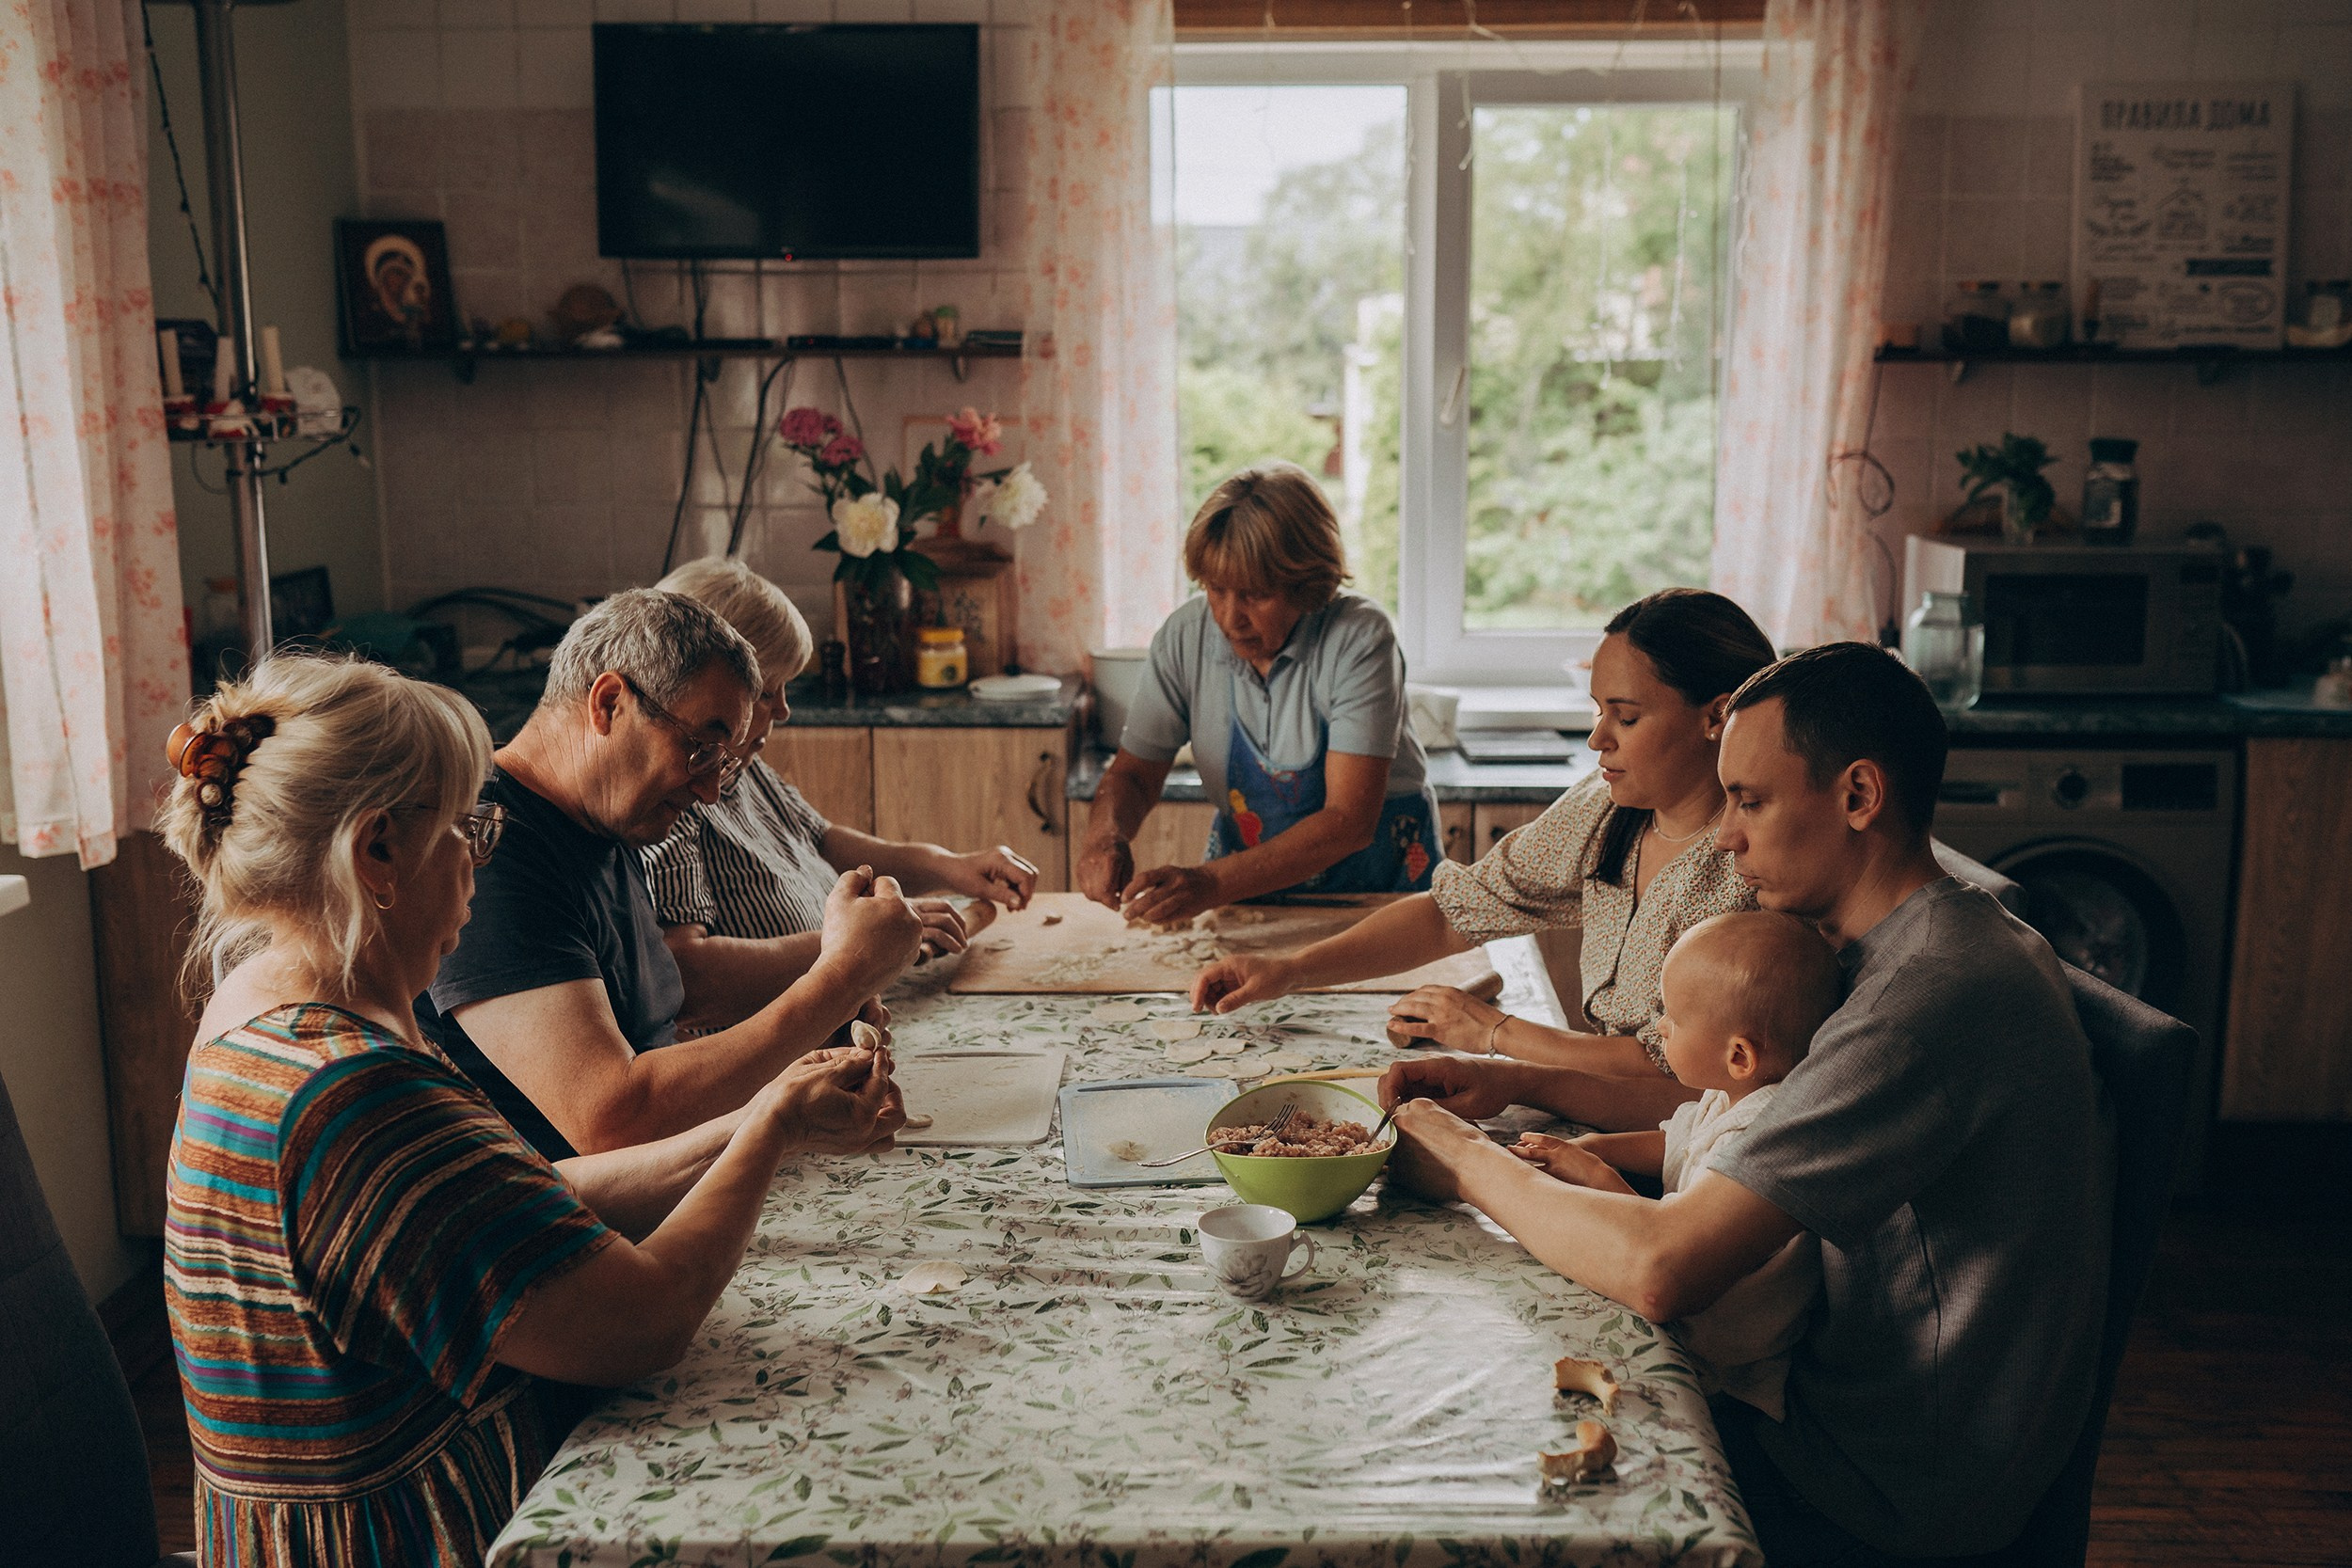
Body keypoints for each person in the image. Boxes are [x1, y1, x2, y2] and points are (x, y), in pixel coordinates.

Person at [159, 655, 905, 1567]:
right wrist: (773, 1123)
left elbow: (518, 1201)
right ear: (377, 851)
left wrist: (762, 1121)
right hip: (421, 1539)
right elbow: (645, 1321)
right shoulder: (354, 1092)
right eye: (465, 826)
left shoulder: (260, 1004)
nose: (480, 856)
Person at [1377, 642, 2113, 1562]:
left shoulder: (1919, 1000)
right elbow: (1730, 1121)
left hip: (1870, 1481)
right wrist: (1515, 1088)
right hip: (1846, 1411)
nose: (1724, 835)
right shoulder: (1903, 940)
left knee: (1473, 1462)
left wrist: (1459, 1154)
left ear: (1856, 796)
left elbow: (1663, 1270)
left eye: (1751, 800)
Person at [1191, 587, 1776, 1130]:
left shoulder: (1753, 869)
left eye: (1625, 717)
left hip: (1689, 1140)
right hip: (1601, 1107)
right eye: (1598, 710)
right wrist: (1290, 970)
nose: (1598, 738)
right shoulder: (1605, 812)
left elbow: (1687, 1079)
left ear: (1716, 717)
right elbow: (1453, 912)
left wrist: (1497, 1034)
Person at [417, 588, 924, 1159]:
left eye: (722, 760)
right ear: (609, 704)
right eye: (700, 748)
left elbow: (662, 1025)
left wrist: (818, 1034)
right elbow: (613, 1120)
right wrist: (842, 978)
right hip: (566, 1232)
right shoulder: (490, 850)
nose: (710, 789)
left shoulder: (607, 818)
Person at [642, 558, 1039, 1031]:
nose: (785, 710)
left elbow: (823, 843)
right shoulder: (672, 800)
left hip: (838, 1022)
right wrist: (858, 946)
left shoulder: (741, 768)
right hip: (766, 1067)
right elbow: (689, 977)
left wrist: (949, 866)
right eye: (769, 692)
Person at [1075, 462, 1442, 926]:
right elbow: (1133, 776)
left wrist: (1209, 882)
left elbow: (1348, 820)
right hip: (1246, 894)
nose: (1230, 618)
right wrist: (1105, 836)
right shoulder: (1185, 637)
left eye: (1256, 594)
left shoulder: (1359, 638)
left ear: (1307, 585)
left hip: (1377, 896)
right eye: (1216, 588)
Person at [1509, 910, 1839, 1420]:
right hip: (1694, 1308)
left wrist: (1601, 1180)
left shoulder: (1757, 1131)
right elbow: (1675, 1142)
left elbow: (1666, 1255)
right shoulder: (1730, 1093)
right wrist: (1594, 1146)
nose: (1659, 1026)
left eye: (1673, 1017)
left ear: (1739, 1056)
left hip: (1724, 1366)